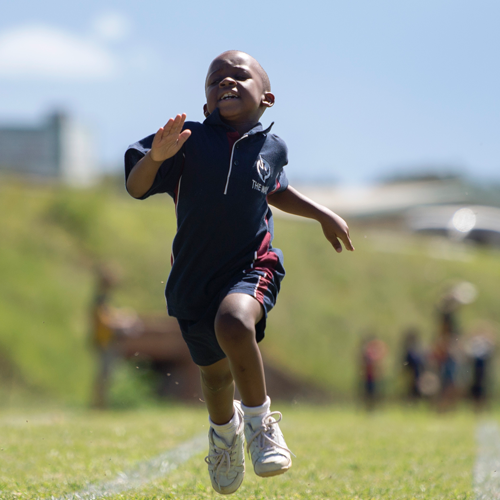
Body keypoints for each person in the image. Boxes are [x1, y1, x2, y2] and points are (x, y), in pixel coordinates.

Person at [125, 50, 354, 495]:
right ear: (206, 101)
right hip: (193, 279)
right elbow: (136, 186)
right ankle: (224, 435)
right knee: (213, 375)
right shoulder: (185, 140)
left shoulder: (272, 147)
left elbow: (275, 188)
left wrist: (321, 213)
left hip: (253, 266)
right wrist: (155, 157)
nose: (226, 83)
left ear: (266, 97)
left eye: (238, 76)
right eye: (215, 81)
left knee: (233, 321)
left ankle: (259, 423)